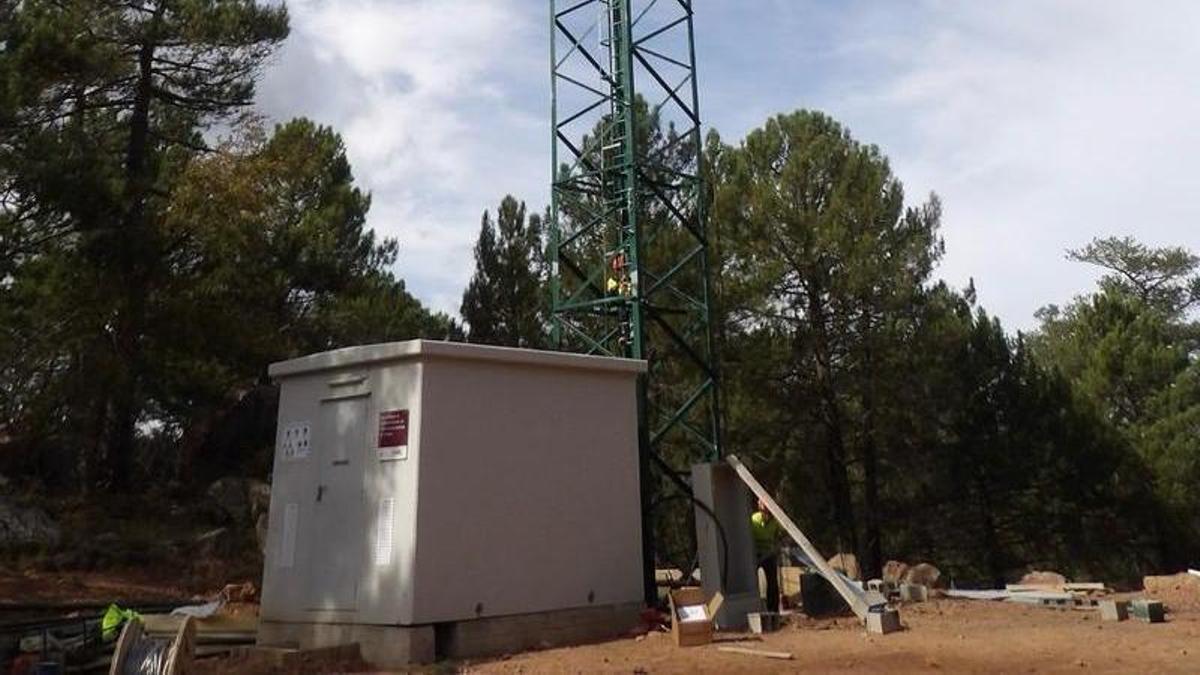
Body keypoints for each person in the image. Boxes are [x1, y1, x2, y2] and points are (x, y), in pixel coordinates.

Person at [751, 497, 782, 613]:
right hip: (754, 556)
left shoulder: (775, 523)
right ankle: (755, 607)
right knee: (751, 581)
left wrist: (775, 549)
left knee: (772, 583)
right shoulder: (753, 519)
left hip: (769, 555)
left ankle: (773, 611)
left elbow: (779, 538)